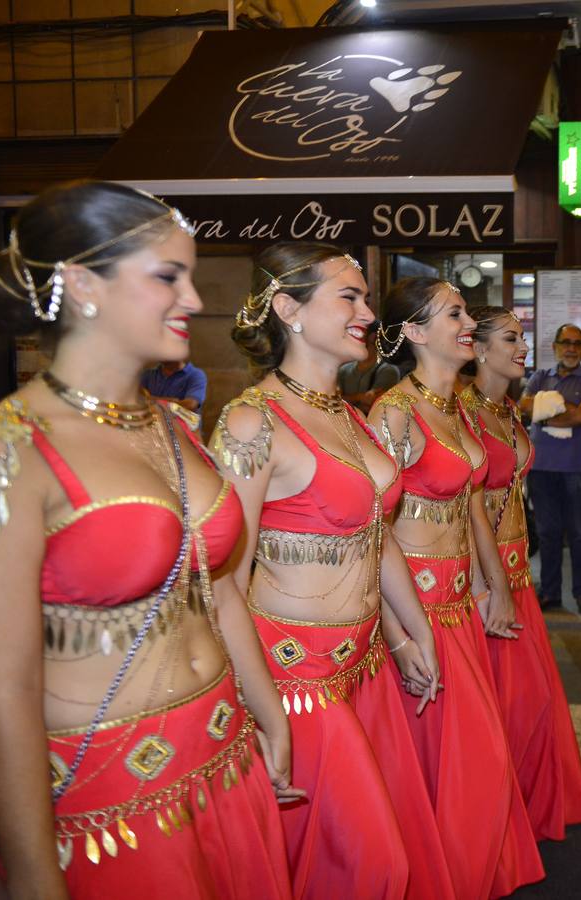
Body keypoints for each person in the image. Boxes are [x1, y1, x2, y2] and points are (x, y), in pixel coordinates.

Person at [0, 180, 296, 898]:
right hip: (108, 808)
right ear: (81, 283)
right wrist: (35, 876)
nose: (193, 299)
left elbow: (220, 591)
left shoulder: (176, 426)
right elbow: (4, 687)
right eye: (168, 276)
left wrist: (270, 710)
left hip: (230, 764)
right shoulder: (13, 449)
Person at [217, 244, 452, 900]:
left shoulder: (348, 415)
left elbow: (379, 540)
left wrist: (411, 634)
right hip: (295, 678)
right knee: (377, 865)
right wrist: (264, 712)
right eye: (349, 296)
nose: (367, 312)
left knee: (346, 862)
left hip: (365, 667)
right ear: (288, 309)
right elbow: (222, 584)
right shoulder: (248, 423)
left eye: (367, 298)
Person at [371, 279, 544, 898]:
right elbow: (373, 534)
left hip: (460, 600)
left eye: (468, 313)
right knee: (460, 763)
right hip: (416, 606)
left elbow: (474, 505)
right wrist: (398, 637)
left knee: (471, 763)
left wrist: (495, 586)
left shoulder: (451, 407)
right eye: (456, 314)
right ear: (415, 333)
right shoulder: (393, 411)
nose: (469, 322)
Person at [460, 306, 581, 842]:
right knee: (502, 712)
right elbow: (460, 510)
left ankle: (523, 812)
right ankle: (492, 824)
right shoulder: (461, 413)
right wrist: (484, 586)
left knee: (531, 708)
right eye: (511, 338)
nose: (523, 347)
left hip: (518, 573)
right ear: (478, 347)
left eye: (523, 339)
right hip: (487, 581)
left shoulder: (511, 409)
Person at [519, 324, 581, 619]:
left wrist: (547, 407)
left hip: (578, 470)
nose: (571, 348)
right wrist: (559, 409)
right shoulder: (540, 376)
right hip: (541, 469)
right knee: (548, 533)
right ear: (555, 346)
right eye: (566, 342)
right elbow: (524, 407)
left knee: (580, 535)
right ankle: (551, 594)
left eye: (577, 344)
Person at [338, 324, 400, 413]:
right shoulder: (344, 370)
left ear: (372, 337)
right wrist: (360, 397)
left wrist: (348, 399)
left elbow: (373, 404)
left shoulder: (388, 371)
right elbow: (335, 401)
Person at [141, 358, 207, 415]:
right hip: (153, 425)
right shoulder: (148, 374)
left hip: (181, 428)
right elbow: (137, 400)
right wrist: (174, 401)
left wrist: (150, 399)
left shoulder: (196, 375)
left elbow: (190, 405)